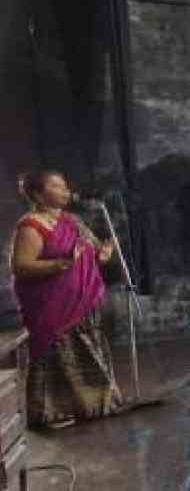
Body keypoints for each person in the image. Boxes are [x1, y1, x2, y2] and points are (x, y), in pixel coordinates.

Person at [11, 171, 123, 428]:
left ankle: (94, 405)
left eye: (64, 185)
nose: (64, 190)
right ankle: (53, 414)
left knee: (88, 353)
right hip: (49, 307)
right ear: (39, 194)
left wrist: (104, 252)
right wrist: (60, 264)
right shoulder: (31, 226)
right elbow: (21, 266)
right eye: (56, 186)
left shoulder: (72, 221)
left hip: (82, 305)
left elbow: (95, 254)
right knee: (55, 356)